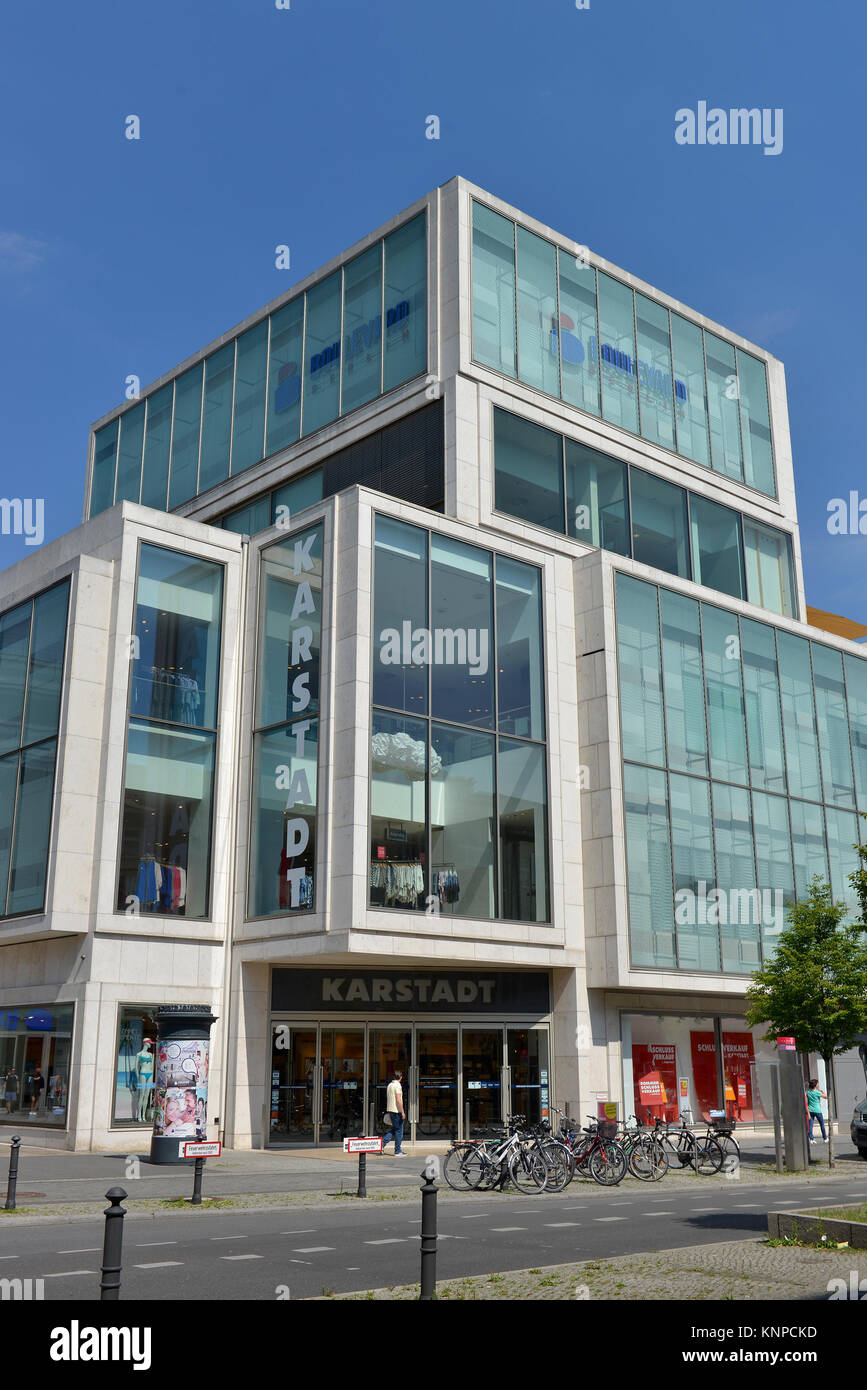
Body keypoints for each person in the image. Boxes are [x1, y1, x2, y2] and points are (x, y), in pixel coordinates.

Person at [381, 1068, 406, 1156]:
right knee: (399, 1131)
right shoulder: (398, 1086)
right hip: (397, 1111)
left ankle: (382, 1145)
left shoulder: (390, 1085)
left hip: (391, 1110)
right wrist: (402, 1112)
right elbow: (399, 1100)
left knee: (395, 1129)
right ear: (401, 1077)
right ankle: (398, 1151)